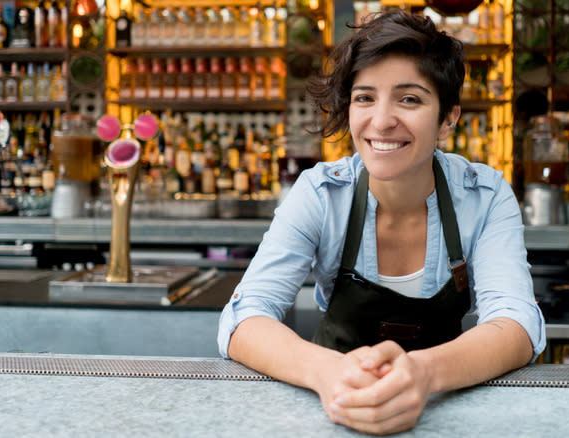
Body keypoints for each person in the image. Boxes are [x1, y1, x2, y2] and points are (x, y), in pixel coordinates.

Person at [218, 10, 545, 436]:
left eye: (409, 99)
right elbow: (244, 319)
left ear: (448, 117)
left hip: (446, 413)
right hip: (329, 413)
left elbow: (516, 325)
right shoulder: (321, 194)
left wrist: (423, 374)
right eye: (365, 97)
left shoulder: (484, 195)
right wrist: (329, 374)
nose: (381, 120)